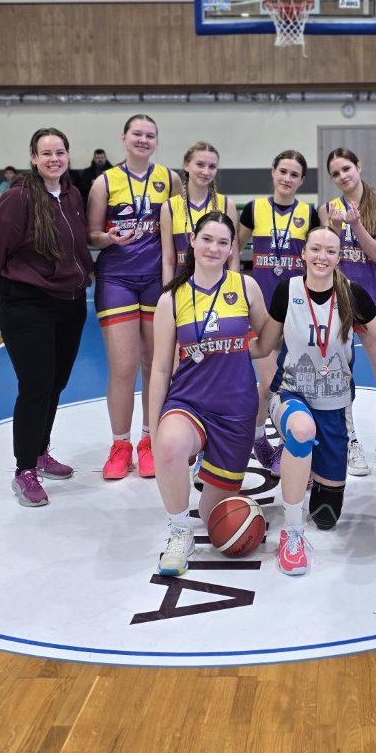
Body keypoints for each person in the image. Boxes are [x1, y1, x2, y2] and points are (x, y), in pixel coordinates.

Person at [251, 226, 376, 576]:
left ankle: (305, 468)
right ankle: (292, 533)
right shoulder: (287, 290)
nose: (322, 256)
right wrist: (222, 347)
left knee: (326, 516)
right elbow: (264, 346)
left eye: (331, 251)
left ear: (339, 257)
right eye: (316, 249)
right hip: (290, 393)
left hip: (334, 407)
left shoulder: (352, 294)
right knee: (301, 430)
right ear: (303, 253)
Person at [149, 211, 268, 576]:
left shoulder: (246, 287)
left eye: (222, 242)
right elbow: (160, 368)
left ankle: (207, 468)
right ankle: (178, 533)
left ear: (232, 248)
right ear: (192, 242)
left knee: (214, 518)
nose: (213, 248)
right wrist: (153, 430)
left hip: (235, 411)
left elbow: (267, 342)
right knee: (169, 445)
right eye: (207, 239)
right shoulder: (171, 298)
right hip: (189, 402)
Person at [0, 128, 91, 507]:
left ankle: (41, 451)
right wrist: (11, 284)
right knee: (36, 386)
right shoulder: (19, 198)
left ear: (67, 156)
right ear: (33, 158)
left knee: (56, 383)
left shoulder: (72, 194)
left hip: (70, 303)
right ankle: (24, 469)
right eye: (46, 153)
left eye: (60, 152)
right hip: (28, 304)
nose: (54, 159)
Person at [87, 114, 183, 482]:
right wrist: (108, 238)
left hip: (157, 280)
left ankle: (149, 440)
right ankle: (120, 444)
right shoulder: (104, 182)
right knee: (123, 367)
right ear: (124, 138)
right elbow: (92, 234)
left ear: (156, 141)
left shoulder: (170, 179)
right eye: (137, 134)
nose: (143, 140)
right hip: (117, 279)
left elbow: (178, 228)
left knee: (154, 365)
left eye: (150, 135)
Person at [238, 150, 319, 478]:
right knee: (270, 381)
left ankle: (292, 443)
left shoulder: (309, 213)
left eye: (294, 174)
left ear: (302, 181)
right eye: (283, 171)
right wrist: (236, 287)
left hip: (296, 309)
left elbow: (317, 259)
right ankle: (258, 438)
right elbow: (233, 249)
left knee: (295, 383)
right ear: (273, 172)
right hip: (261, 311)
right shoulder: (254, 208)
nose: (287, 178)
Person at [320, 147, 376, 475]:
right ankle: (350, 441)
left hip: (372, 300)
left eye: (346, 168)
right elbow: (328, 256)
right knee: (339, 377)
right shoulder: (328, 208)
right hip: (338, 299)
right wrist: (337, 228)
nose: (342, 176)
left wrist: (356, 224)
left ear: (359, 166)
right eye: (335, 173)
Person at [161, 140, 239, 285]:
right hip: (182, 286)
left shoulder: (227, 205)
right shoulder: (169, 207)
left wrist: (234, 289)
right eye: (200, 164)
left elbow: (233, 258)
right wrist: (168, 292)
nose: (206, 172)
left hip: (218, 287)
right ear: (186, 165)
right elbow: (168, 261)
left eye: (212, 166)